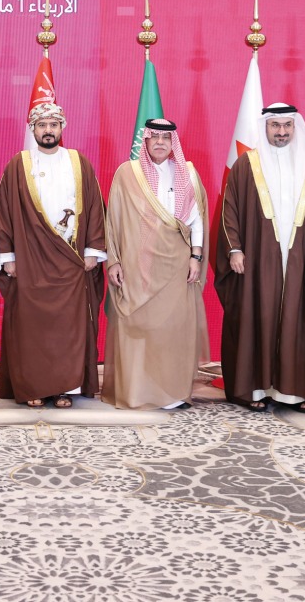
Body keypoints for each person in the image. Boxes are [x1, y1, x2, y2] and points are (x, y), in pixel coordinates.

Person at [214, 103, 305, 413]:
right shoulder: (246, 165)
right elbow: (230, 210)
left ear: (295, 127)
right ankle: (254, 388)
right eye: (275, 126)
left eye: (287, 125)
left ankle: (294, 393)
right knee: (259, 316)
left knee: (300, 318)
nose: (281, 132)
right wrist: (235, 249)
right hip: (257, 260)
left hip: (302, 260)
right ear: (265, 127)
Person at [0, 103, 106, 408]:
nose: (47, 130)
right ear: (32, 129)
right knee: (32, 325)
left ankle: (63, 388)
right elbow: (3, 213)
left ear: (62, 128)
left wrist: (93, 251)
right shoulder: (18, 164)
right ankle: (32, 386)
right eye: (41, 125)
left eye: (53, 124)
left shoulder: (78, 162)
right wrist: (8, 257)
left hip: (71, 259)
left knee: (67, 326)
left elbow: (96, 208)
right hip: (30, 260)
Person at [103, 118, 210, 410]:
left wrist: (196, 256)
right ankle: (138, 392)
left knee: (173, 327)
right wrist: (113, 260)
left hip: (177, 263)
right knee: (139, 326)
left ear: (172, 142)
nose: (160, 143)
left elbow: (197, 219)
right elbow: (112, 220)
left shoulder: (186, 173)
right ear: (145, 141)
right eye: (155, 137)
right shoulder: (128, 174)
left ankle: (172, 393)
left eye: (166, 138)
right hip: (136, 263)